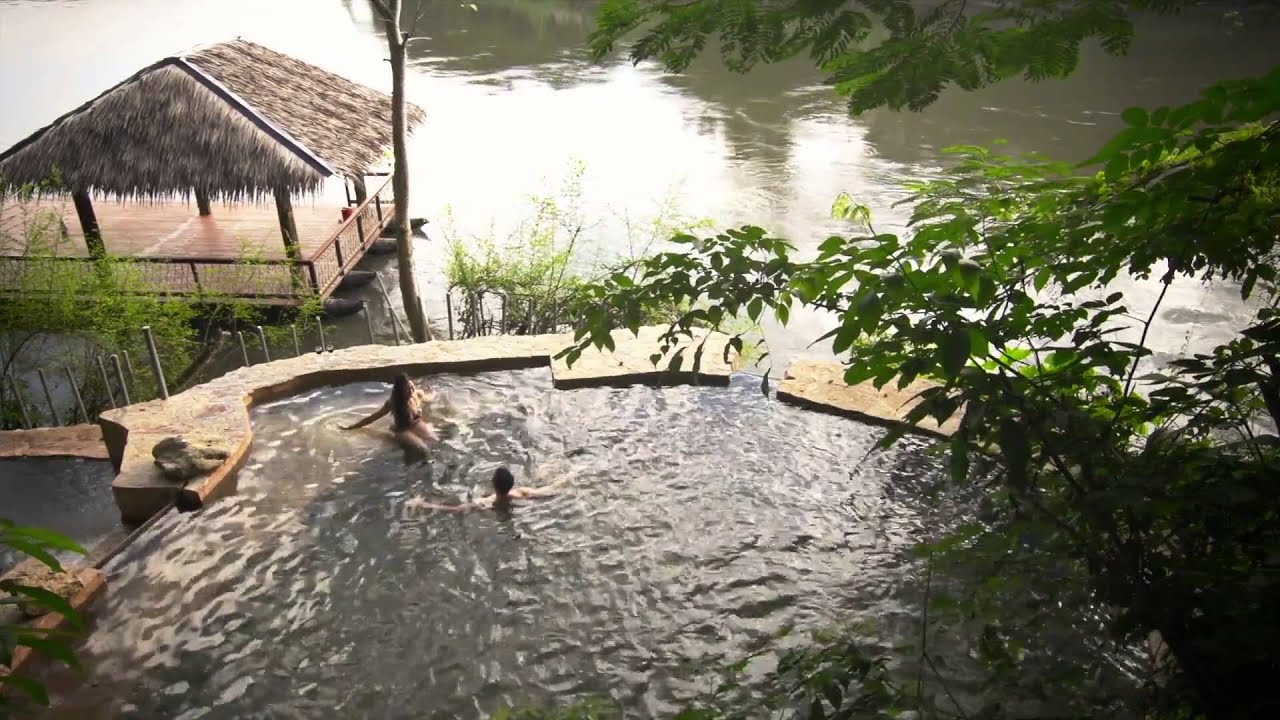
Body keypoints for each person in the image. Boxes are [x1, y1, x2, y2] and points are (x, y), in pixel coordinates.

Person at [340, 373, 438, 452]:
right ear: (401, 391)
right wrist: (351, 427)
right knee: (423, 449)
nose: (412, 391)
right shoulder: (393, 403)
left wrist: (433, 393)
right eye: (408, 389)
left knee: (435, 441)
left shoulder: (417, 394)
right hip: (402, 430)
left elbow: (428, 398)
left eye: (412, 387)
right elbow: (372, 418)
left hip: (416, 424)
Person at [407, 467, 565, 512]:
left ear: (494, 483)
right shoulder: (522, 493)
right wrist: (571, 475)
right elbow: (549, 490)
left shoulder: (487, 503)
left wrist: (423, 504)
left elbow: (454, 509)